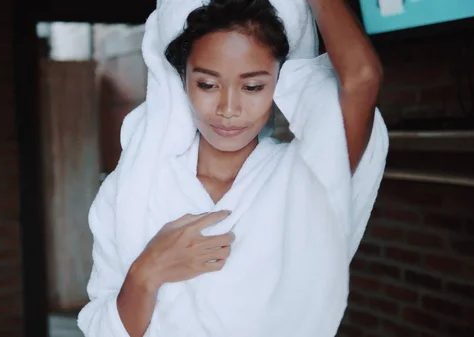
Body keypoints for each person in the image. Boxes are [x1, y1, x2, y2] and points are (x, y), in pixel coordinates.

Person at [78, 0, 387, 336]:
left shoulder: (304, 177)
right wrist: (145, 273)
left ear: (280, 81)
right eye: (208, 85)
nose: (228, 109)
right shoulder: (134, 189)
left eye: (252, 86)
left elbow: (362, 78)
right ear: (182, 80)